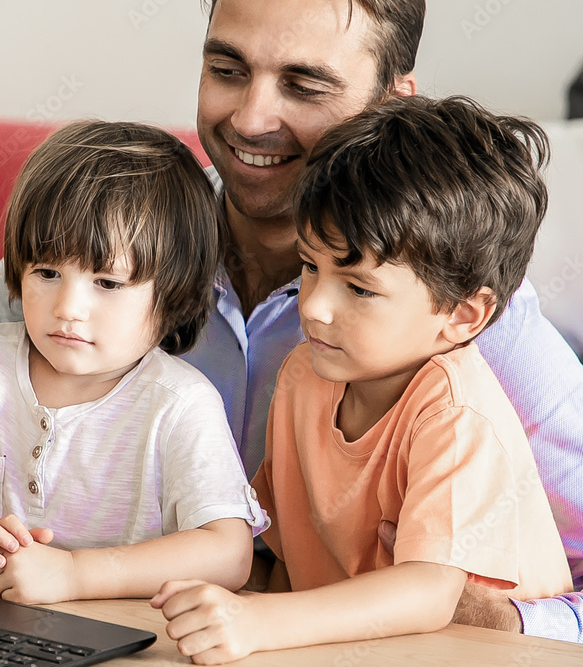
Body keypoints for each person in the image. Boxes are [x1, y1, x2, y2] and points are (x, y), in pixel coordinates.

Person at [0, 0, 583, 641]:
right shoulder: (115, 236)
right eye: (228, 69)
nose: (251, 119)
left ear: (390, 103)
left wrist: (494, 620)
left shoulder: (474, 329)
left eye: (304, 85)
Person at [152, 94, 574, 664]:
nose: (315, 307)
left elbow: (427, 595)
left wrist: (257, 622)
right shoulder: (306, 372)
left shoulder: (453, 415)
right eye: (309, 266)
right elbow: (282, 559)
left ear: (463, 316)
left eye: (359, 288)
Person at [0, 120, 269, 605]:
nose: (68, 308)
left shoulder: (180, 404)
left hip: (127, 632)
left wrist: (74, 574)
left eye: (108, 283)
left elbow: (229, 554)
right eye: (48, 272)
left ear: (176, 296)